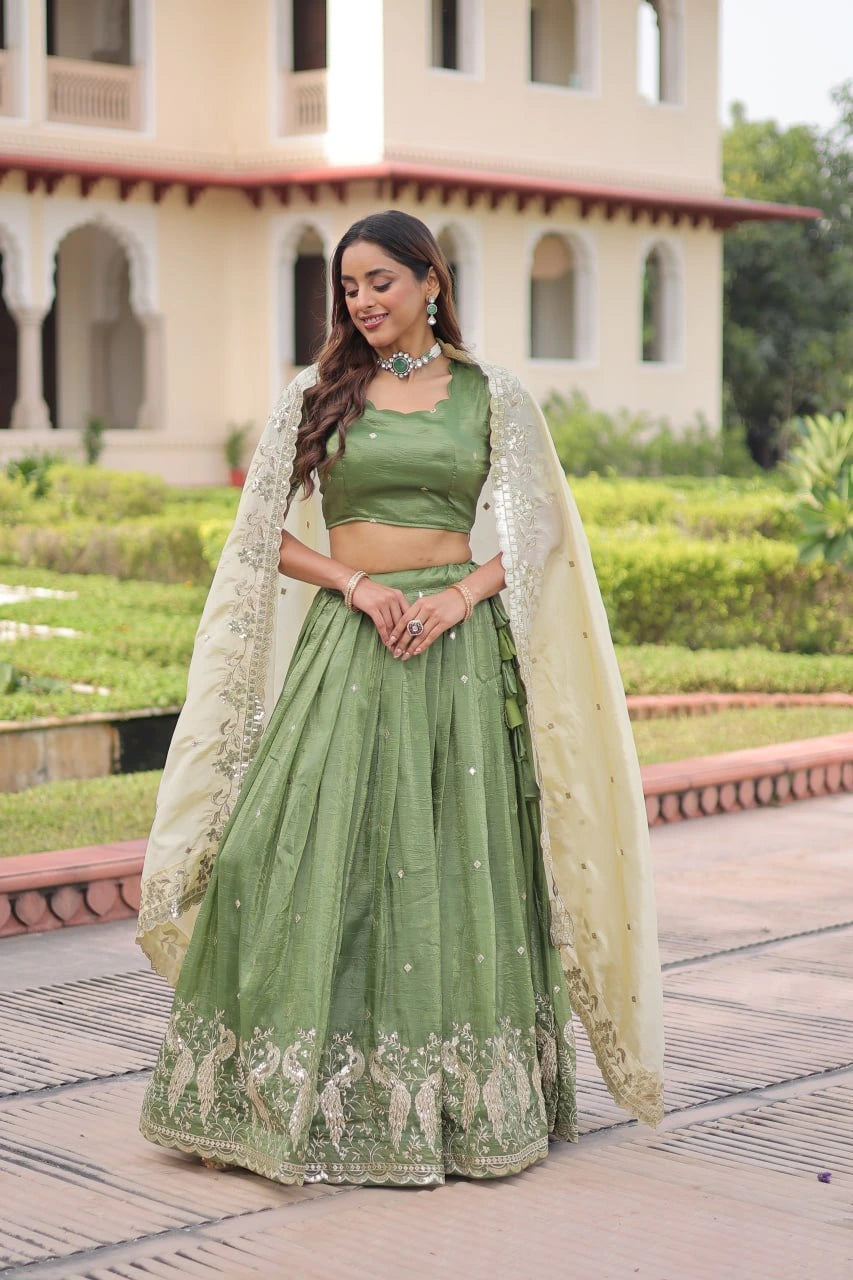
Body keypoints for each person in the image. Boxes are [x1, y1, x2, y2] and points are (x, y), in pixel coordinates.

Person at [136, 210, 665, 1187]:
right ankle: (271, 1088)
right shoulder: (317, 393)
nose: (362, 301)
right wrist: (355, 584)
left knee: (451, 863)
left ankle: (453, 1104)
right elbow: (260, 535)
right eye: (349, 287)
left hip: (457, 655)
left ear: (430, 280)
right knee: (278, 850)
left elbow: (539, 530)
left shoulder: (492, 394)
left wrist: (460, 595)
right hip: (349, 642)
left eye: (379, 280)